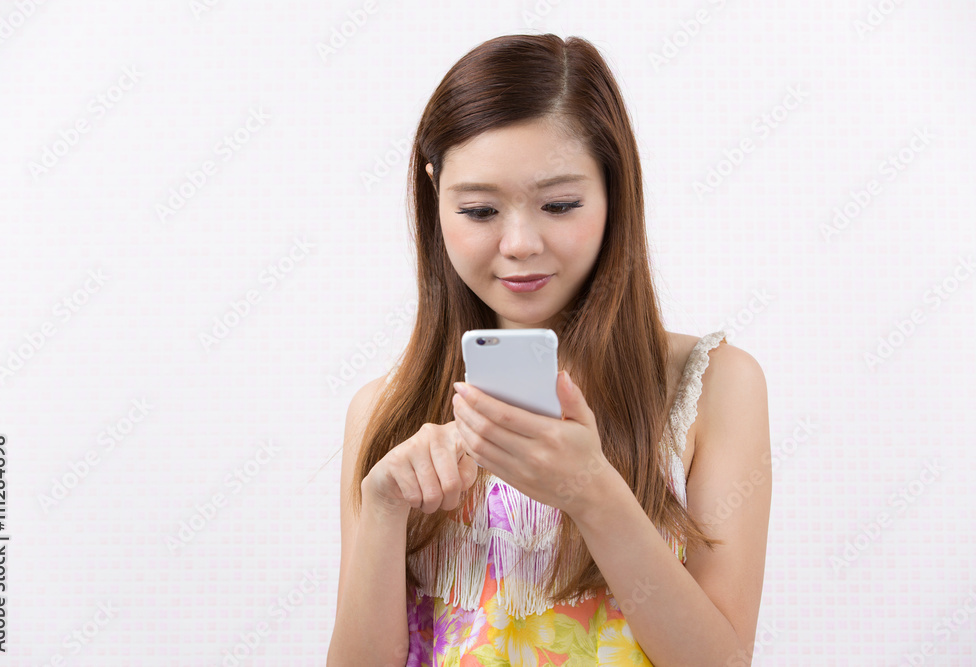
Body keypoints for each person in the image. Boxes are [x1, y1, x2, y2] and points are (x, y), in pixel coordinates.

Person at [328, 33, 771, 667]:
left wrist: (592, 492)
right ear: (435, 196)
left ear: (614, 190)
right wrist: (383, 509)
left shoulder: (713, 386)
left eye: (559, 204)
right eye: (479, 210)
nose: (520, 244)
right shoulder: (383, 409)